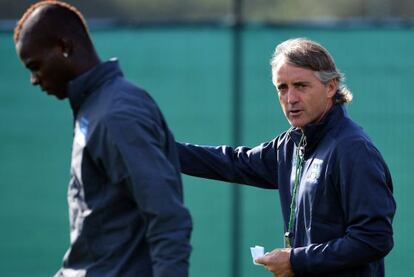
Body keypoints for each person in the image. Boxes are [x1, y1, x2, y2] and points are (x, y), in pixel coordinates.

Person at [177, 38, 396, 277]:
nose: (290, 98)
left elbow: (374, 239)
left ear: (331, 87)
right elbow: (234, 162)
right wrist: (160, 150)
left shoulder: (353, 149)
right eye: (282, 87)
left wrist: (296, 260)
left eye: (300, 85)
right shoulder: (292, 143)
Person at [14, 1, 192, 276]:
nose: (34, 80)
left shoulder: (116, 114)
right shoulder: (95, 107)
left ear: (64, 47)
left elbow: (167, 219)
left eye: (35, 66)